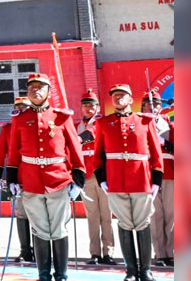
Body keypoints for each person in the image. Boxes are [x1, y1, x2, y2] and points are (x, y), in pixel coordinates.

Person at [6, 73, 86, 281]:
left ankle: (61, 275)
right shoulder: (20, 119)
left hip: (57, 180)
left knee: (58, 229)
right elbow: (14, 151)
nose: (35, 90)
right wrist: (12, 179)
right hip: (31, 182)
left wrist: (78, 178)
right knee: (40, 230)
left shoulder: (62, 118)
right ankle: (43, 275)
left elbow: (74, 149)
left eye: (40, 87)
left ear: (49, 92)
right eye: (31, 87)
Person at [93, 84, 164, 281]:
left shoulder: (144, 121)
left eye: (122, 95)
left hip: (141, 180)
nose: (118, 98)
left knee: (142, 223)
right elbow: (98, 155)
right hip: (115, 182)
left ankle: (146, 270)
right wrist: (102, 180)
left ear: (131, 99)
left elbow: (156, 155)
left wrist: (156, 181)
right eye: (115, 95)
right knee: (124, 224)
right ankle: (131, 271)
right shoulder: (103, 123)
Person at [77, 89, 116, 265]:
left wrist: (77, 138)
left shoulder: (101, 122)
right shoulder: (77, 125)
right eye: (84, 105)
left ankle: (109, 252)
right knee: (92, 216)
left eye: (91, 105)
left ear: (97, 107)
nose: (87, 108)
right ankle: (95, 253)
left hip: (102, 174)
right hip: (86, 175)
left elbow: (92, 135)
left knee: (106, 215)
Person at [0, 97, 33, 263]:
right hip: (16, 177)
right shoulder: (8, 129)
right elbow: (1, 152)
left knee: (38, 216)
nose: (21, 110)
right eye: (19, 107)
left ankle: (41, 249)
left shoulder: (35, 126)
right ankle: (25, 250)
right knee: (21, 214)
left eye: (25, 108)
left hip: (35, 175)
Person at [143, 91, 174, 268]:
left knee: (172, 215)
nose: (152, 106)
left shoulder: (169, 124)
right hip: (149, 174)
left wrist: (163, 141)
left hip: (169, 173)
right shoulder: (139, 124)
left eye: (156, 103)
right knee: (155, 216)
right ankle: (160, 254)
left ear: (161, 106)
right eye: (148, 103)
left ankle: (172, 253)